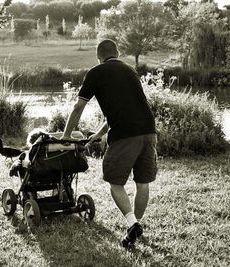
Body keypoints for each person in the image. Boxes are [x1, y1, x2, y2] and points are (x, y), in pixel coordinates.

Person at [60, 39, 157, 248]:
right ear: (118, 53)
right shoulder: (130, 71)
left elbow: (78, 108)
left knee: (115, 181)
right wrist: (98, 135)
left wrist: (66, 136)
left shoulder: (96, 72)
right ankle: (135, 226)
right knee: (142, 183)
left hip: (125, 134)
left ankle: (132, 224)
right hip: (149, 130)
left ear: (98, 56)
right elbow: (126, 109)